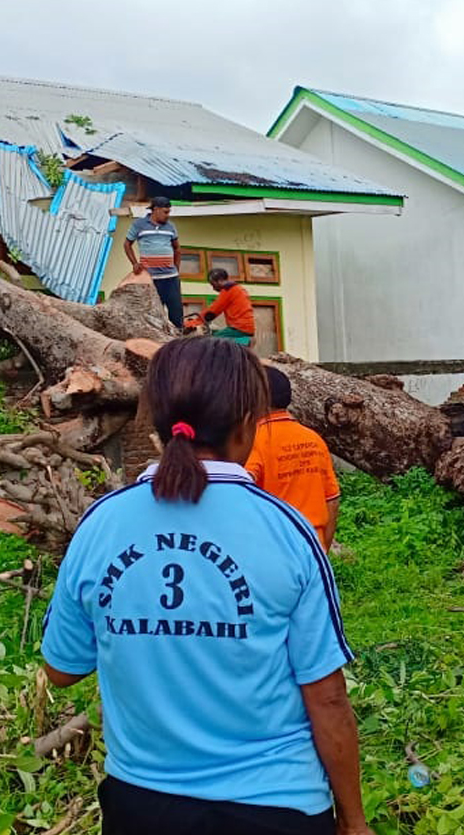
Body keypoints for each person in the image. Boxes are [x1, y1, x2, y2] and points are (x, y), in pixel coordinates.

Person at [41, 337, 372, 835]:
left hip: (142, 807)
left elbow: (62, 670)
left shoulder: (100, 526)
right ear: (247, 426)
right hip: (275, 808)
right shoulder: (286, 530)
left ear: (154, 424)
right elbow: (326, 698)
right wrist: (353, 820)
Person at [247, 366, 341, 552]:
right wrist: (323, 549)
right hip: (314, 544)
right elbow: (332, 499)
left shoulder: (253, 441)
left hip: (276, 548)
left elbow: (241, 491)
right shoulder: (313, 439)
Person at [125, 197, 183, 328]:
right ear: (155, 210)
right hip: (150, 279)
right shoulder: (139, 225)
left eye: (169, 212)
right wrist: (134, 263)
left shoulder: (171, 226)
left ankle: (179, 343)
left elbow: (177, 248)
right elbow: (127, 244)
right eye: (165, 212)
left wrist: (176, 270)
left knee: (176, 314)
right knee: (153, 315)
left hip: (170, 279)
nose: (168, 215)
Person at [202, 268, 256, 346]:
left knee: (212, 341)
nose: (213, 288)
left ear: (220, 280)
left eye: (213, 284)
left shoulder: (228, 290)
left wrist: (196, 321)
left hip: (239, 328)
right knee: (217, 334)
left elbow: (213, 311)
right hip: (247, 327)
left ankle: (245, 341)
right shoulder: (238, 288)